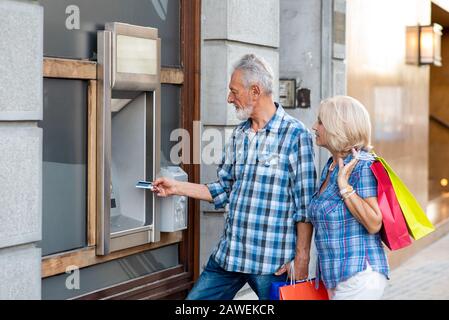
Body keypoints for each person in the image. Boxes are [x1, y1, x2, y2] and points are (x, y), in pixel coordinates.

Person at [152, 54, 317, 300]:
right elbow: (223, 189)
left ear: (255, 91)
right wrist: (176, 187)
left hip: (271, 262)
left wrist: (302, 258)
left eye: (234, 91)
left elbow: (305, 205)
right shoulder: (239, 135)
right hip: (231, 255)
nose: (230, 98)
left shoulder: (296, 135)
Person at [308, 95, 390, 300]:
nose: (314, 127)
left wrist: (345, 187)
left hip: (359, 275)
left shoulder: (361, 165)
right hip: (336, 276)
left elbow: (374, 223)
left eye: (320, 121)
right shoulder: (332, 164)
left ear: (337, 126)